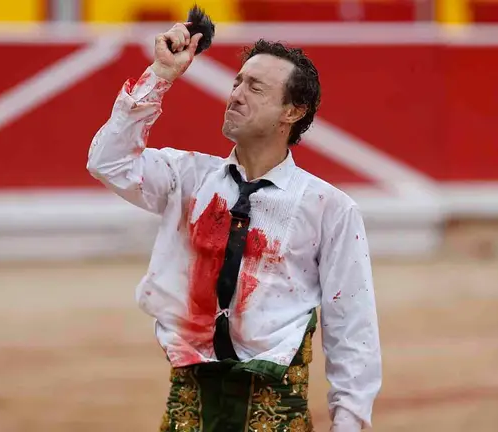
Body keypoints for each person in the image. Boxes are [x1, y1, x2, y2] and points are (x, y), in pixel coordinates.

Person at [87, 21, 382, 432]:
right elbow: (108, 163)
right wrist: (161, 75)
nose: (237, 94)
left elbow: (351, 322)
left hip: (274, 404)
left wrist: (349, 421)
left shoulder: (329, 208)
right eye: (238, 82)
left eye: (256, 88)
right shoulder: (187, 177)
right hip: (190, 397)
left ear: (292, 112)